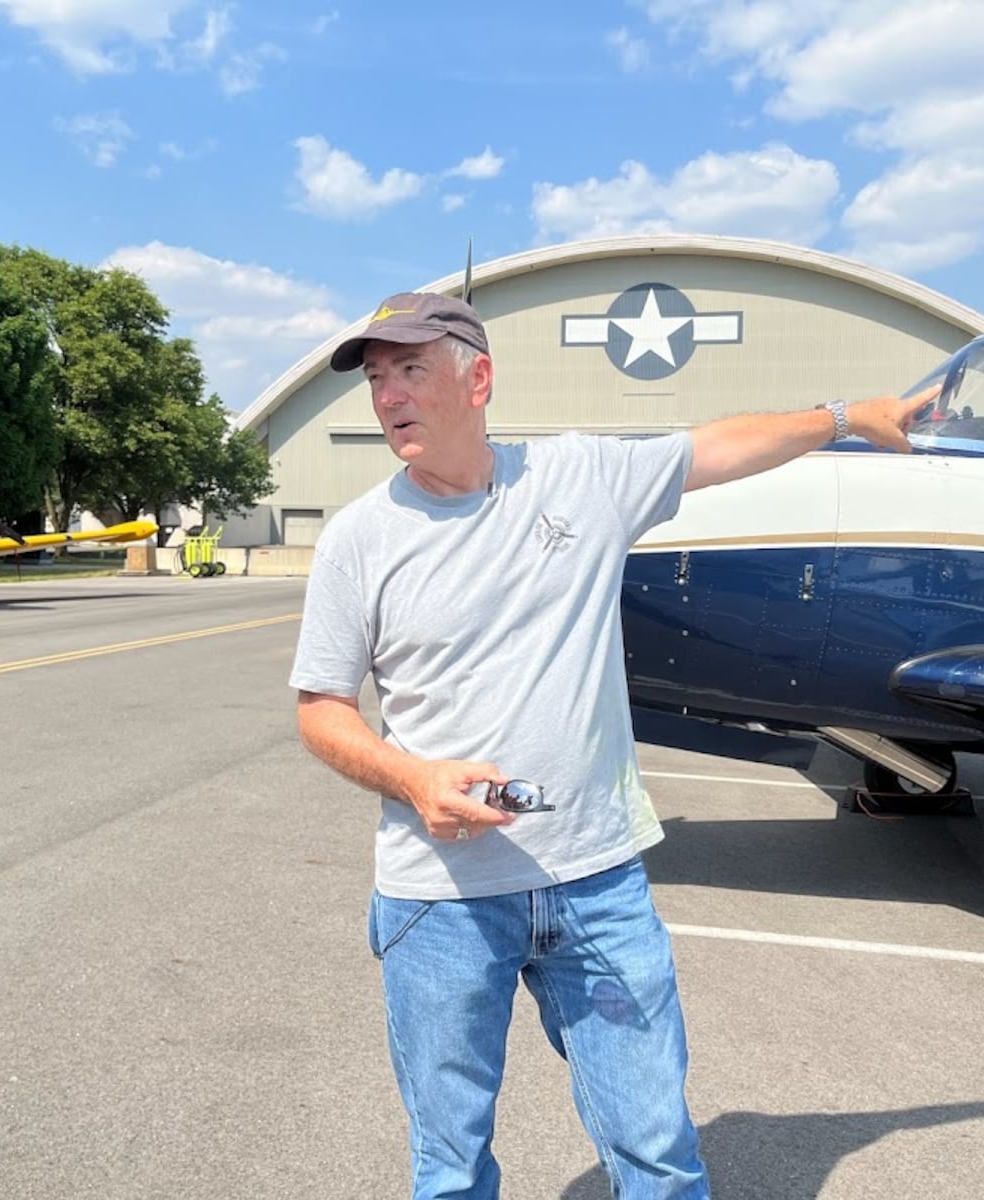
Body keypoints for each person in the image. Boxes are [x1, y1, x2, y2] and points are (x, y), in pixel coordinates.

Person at [290, 292, 930, 1199]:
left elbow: (718, 447)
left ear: (478, 378)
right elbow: (321, 708)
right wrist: (412, 776)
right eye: (377, 376)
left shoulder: (577, 478)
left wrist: (846, 419)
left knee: (658, 1151)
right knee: (449, 1166)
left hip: (596, 884)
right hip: (440, 897)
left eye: (411, 369)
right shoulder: (359, 539)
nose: (388, 394)